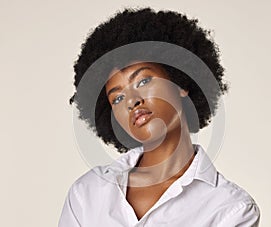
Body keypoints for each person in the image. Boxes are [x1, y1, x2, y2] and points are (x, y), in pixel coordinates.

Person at [59, 7, 260, 227]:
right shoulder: (87, 193)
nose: (131, 101)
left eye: (143, 81)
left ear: (181, 83)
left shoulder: (231, 209)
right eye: (117, 98)